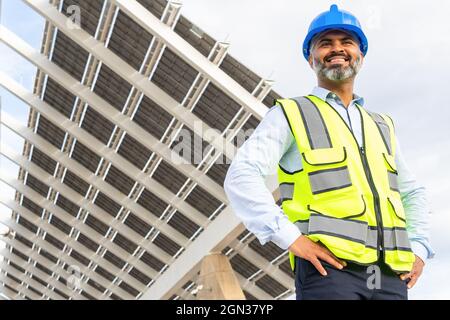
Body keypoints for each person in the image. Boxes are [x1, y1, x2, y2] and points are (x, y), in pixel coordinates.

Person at [224, 4, 434, 300]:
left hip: (389, 276)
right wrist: (291, 238)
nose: (337, 49)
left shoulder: (382, 125)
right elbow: (241, 175)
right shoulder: (291, 113)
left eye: (347, 41)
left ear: (361, 54)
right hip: (330, 272)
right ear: (310, 58)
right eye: (325, 43)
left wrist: (420, 248)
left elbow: (412, 192)